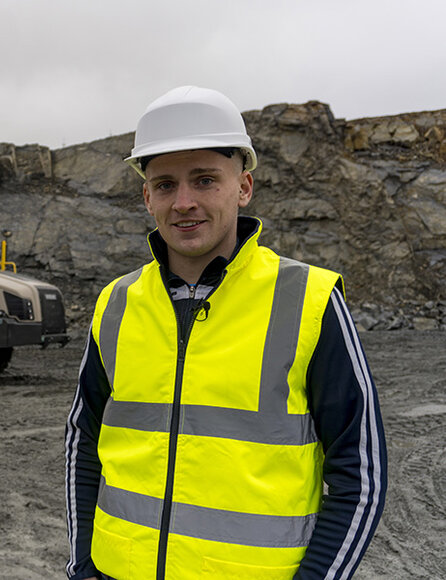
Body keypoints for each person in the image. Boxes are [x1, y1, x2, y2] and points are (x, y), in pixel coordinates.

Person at [64, 86, 387, 580]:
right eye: (166, 185)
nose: (184, 202)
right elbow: (83, 443)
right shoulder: (116, 304)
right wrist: (84, 565)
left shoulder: (309, 301)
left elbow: (360, 471)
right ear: (147, 196)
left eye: (206, 179)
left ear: (244, 187)